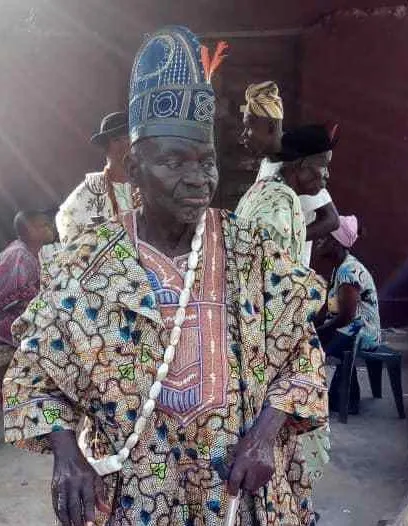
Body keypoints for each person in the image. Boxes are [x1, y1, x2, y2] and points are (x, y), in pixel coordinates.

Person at [3, 27, 327, 526]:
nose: (198, 179)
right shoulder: (86, 263)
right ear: (134, 167)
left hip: (238, 499)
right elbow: (33, 377)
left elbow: (302, 355)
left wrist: (264, 438)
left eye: (207, 162)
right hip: (132, 503)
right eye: (175, 161)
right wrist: (66, 455)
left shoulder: (253, 253)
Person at [237, 106, 336, 265]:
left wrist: (293, 239)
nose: (242, 137)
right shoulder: (279, 205)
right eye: (324, 165)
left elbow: (332, 219)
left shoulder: (280, 185)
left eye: (250, 129)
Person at [316, 215, 381, 413]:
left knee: (315, 345)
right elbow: (332, 310)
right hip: (352, 329)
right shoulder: (340, 268)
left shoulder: (348, 271)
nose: (319, 241)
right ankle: (343, 395)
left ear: (336, 244)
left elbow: (346, 317)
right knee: (317, 338)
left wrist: (317, 332)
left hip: (362, 331)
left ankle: (346, 397)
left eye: (324, 238)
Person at [55, 111, 138, 245]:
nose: (125, 144)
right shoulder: (93, 187)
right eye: (117, 140)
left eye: (128, 137)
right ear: (106, 146)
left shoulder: (147, 180)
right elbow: (65, 220)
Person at [0, 210, 55, 346]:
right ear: (30, 231)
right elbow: (14, 300)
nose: (50, 228)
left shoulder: (33, 252)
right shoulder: (20, 255)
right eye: (44, 225)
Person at [297, 126, 340, 267]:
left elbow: (333, 219)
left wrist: (294, 238)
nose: (327, 174)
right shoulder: (271, 166)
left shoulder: (311, 184)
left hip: (292, 265)